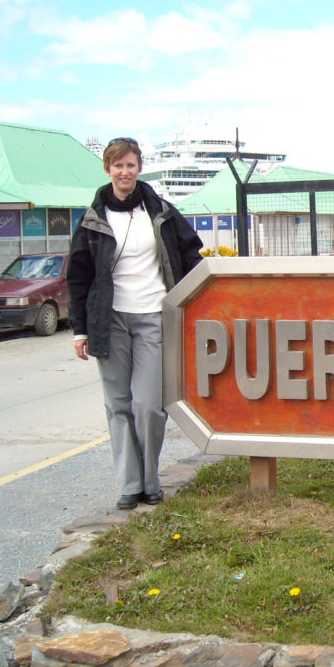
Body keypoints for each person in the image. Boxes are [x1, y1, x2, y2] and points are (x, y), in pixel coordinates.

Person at [67, 137, 203, 510]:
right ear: (107, 170)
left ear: (139, 167)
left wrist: (191, 303)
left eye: (130, 165)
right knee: (119, 404)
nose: (124, 172)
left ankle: (150, 479)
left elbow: (192, 255)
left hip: (154, 316)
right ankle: (130, 485)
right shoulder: (92, 219)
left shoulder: (160, 210)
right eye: (117, 166)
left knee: (148, 405)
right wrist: (80, 329)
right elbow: (78, 277)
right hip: (108, 320)